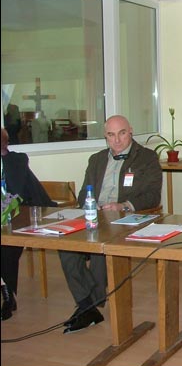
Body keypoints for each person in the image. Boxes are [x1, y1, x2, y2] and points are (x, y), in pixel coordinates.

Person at [59, 115, 162, 333]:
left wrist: (122, 205)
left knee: (101, 247)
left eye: (122, 133)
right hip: (95, 215)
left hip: (125, 218)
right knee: (65, 245)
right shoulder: (96, 159)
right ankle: (87, 305)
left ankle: (89, 307)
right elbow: (83, 192)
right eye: (111, 135)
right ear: (105, 136)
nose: (117, 140)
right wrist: (91, 205)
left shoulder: (146, 157)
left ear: (130, 131)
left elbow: (153, 196)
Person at [1, 128, 56, 320]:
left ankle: (8, 296)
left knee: (6, 248)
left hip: (20, 216)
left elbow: (18, 194)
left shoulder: (16, 161)